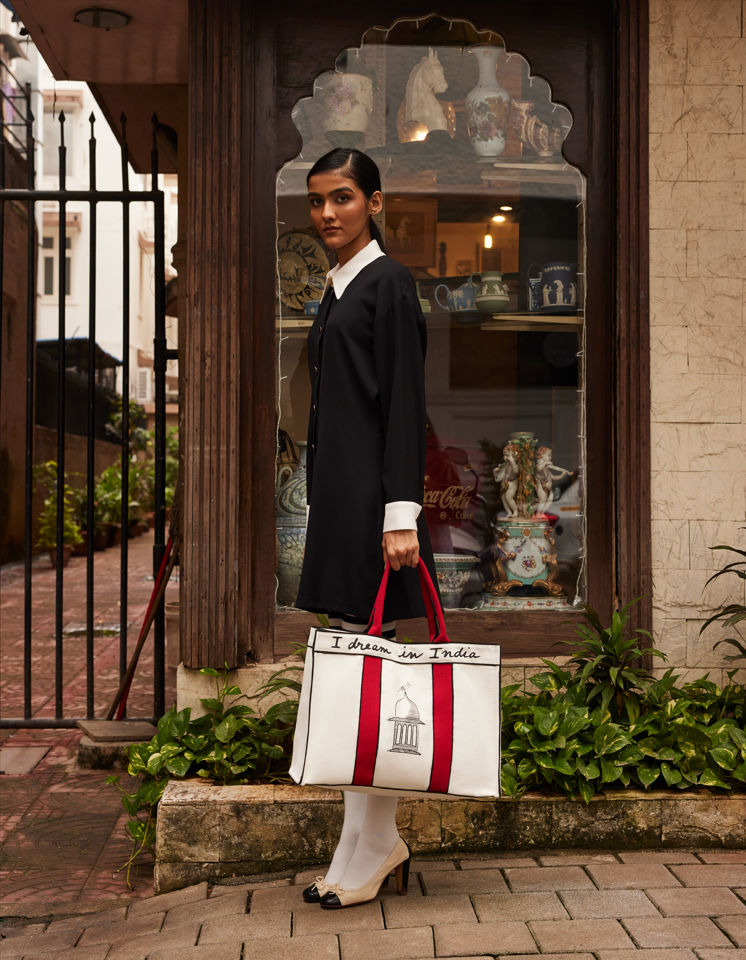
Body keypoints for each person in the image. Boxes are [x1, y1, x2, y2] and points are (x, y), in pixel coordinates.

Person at [295, 147, 439, 909]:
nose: (326, 214)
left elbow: (404, 408)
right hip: (341, 506)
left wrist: (400, 514)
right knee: (359, 682)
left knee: (375, 679)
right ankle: (361, 840)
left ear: (375, 204)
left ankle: (375, 843)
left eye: (343, 198)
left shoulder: (388, 282)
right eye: (318, 201)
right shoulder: (338, 286)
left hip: (377, 516)